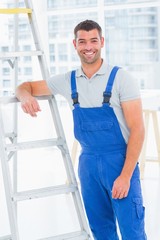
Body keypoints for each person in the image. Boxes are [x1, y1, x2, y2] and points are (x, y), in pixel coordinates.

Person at [16, 20, 147, 240]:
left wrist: (125, 176)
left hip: (120, 162)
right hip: (88, 166)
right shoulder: (68, 81)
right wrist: (25, 96)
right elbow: (24, 86)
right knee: (101, 229)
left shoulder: (122, 79)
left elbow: (138, 130)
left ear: (102, 42)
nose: (88, 47)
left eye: (93, 41)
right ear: (74, 44)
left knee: (132, 230)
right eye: (82, 41)